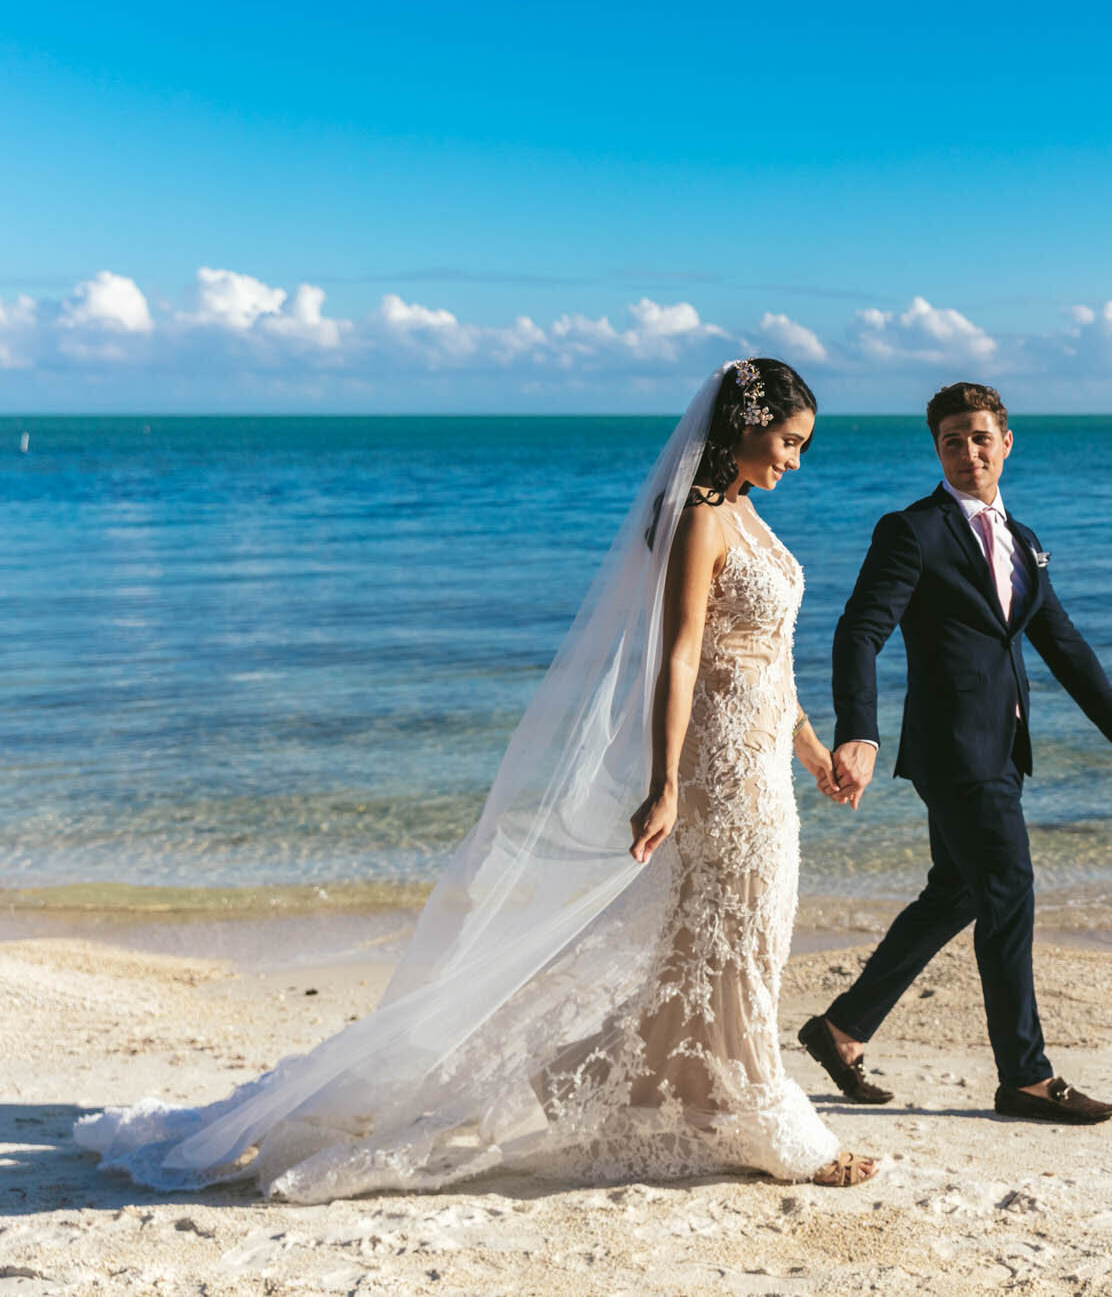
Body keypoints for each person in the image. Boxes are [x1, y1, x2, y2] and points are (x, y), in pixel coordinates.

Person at [76, 359, 878, 1199]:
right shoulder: (702, 520)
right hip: (718, 774)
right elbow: (677, 659)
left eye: (801, 446)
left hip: (767, 775)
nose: (794, 459)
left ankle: (693, 1091)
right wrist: (665, 782)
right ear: (743, 425)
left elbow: (769, 664)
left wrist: (814, 753)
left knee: (731, 943)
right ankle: (759, 1109)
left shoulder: (751, 518)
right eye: (788, 441)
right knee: (727, 940)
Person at [799, 381, 1112, 1124]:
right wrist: (858, 731)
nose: (967, 452)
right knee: (1009, 885)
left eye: (979, 437)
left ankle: (838, 1031)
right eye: (951, 441)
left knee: (958, 892)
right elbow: (859, 630)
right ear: (937, 450)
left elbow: (1061, 643)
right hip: (952, 749)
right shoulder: (913, 530)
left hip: (1004, 748)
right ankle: (1025, 1076)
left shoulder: (1025, 538)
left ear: (1006, 442)